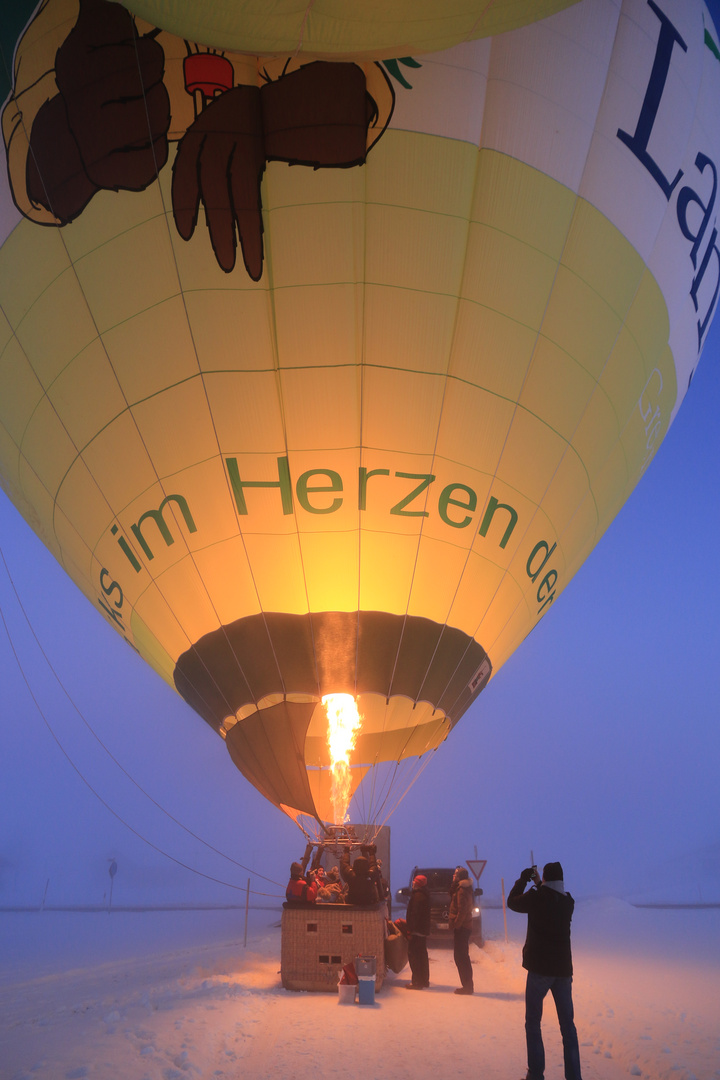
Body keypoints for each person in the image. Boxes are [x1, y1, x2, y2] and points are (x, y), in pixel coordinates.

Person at [507, 862, 582, 1080]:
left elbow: (512, 902)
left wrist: (524, 879)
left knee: (533, 1023)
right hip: (563, 972)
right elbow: (551, 894)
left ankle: (536, 1075)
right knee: (568, 1027)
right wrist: (539, 882)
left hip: (540, 970)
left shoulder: (537, 897)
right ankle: (574, 1077)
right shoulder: (568, 902)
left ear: (547, 879)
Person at [449, 866, 474, 995]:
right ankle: (467, 985)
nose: (453, 876)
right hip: (464, 927)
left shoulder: (462, 890)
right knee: (461, 956)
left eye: (455, 875)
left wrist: (457, 925)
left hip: (463, 928)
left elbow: (462, 910)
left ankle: (467, 987)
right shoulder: (462, 888)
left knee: (461, 957)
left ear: (459, 877)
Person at [405, 873, 431, 989]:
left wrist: (410, 930)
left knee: (414, 955)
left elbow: (414, 915)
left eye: (414, 882)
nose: (413, 883)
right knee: (422, 955)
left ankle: (417, 981)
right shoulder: (424, 895)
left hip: (416, 930)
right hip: (423, 930)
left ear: (418, 884)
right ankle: (424, 980)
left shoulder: (417, 897)